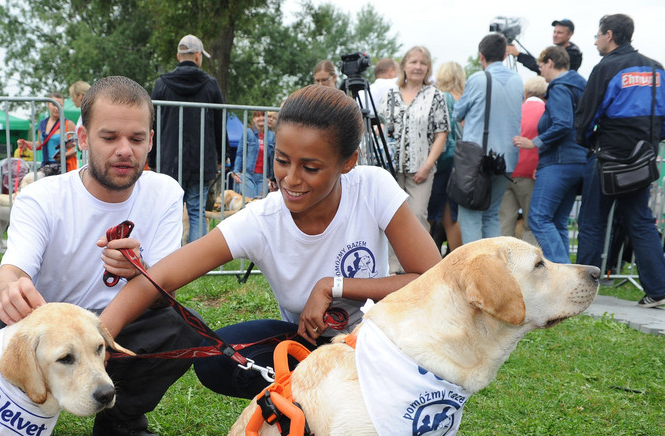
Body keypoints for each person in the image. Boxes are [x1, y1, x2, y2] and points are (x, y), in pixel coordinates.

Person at [98, 84, 442, 401]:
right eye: (281, 160)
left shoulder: (373, 188)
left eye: (310, 167)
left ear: (348, 162)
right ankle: (316, 404)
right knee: (216, 360)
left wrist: (334, 286)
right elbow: (161, 279)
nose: (291, 180)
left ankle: (361, 401)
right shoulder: (262, 220)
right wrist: (96, 339)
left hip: (383, 340)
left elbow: (432, 280)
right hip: (310, 348)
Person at [0, 76, 198, 436]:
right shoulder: (43, 196)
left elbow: (164, 292)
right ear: (82, 137)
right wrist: (8, 290)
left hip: (118, 330)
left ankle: (121, 423)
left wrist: (140, 274)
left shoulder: (165, 193)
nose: (125, 150)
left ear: (151, 141)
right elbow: (9, 275)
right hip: (50, 332)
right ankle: (14, 434)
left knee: (181, 329)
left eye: (137, 139)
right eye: (109, 137)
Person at [574, 14, 665, 307]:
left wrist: (589, 142)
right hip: (642, 161)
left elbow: (585, 118)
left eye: (598, 35)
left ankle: (580, 293)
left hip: (606, 161)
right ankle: (660, 289)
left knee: (591, 223)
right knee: (641, 222)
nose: (596, 41)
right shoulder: (656, 69)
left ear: (610, 35)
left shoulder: (606, 67)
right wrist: (646, 145)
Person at [514, 47, 587, 264]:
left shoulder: (559, 87)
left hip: (559, 162)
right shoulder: (579, 86)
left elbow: (563, 123)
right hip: (577, 160)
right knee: (558, 221)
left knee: (538, 218)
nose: (541, 71)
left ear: (550, 63)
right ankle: (566, 274)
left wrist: (534, 142)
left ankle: (563, 274)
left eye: (541, 66)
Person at [152, 34, 225, 243]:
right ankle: (197, 264)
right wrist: (222, 155)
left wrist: (153, 156)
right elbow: (220, 123)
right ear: (198, 56)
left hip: (169, 159)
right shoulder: (210, 85)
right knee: (196, 210)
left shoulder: (162, 85)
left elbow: (153, 123)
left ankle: (168, 258)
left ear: (178, 56)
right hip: (201, 160)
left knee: (170, 212)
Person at [452, 33, 524, 243]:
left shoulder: (478, 79)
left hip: (477, 160)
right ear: (504, 55)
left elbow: (457, 113)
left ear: (481, 56)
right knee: (492, 214)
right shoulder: (518, 81)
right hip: (507, 160)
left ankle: (476, 270)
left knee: (471, 215)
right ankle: (492, 265)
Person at [378, 46, 449, 241]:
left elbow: (441, 134)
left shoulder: (435, 96)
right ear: (404, 66)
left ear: (428, 68)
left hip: (420, 169)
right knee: (390, 217)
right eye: (413, 62)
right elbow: (380, 126)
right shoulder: (391, 94)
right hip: (391, 168)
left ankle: (421, 266)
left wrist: (427, 166)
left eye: (422, 63)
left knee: (417, 215)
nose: (418, 67)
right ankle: (393, 268)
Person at [498, 75, 547, 244]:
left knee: (505, 223)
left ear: (525, 93)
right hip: (531, 173)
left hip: (507, 171)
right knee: (530, 225)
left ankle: (503, 263)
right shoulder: (546, 112)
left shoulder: (516, 109)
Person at [426, 61, 465, 255]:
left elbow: (442, 132)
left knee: (430, 215)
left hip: (444, 162)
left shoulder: (442, 97)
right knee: (451, 219)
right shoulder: (463, 98)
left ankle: (424, 264)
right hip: (461, 163)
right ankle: (458, 262)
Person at [508, 18, 583, 74]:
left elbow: (541, 68)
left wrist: (518, 54)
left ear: (570, 34)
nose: (555, 35)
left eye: (559, 33)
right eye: (554, 32)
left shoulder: (572, 54)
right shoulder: (561, 50)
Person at [231, 110, 275, 198]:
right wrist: (236, 172)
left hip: (263, 177)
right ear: (254, 119)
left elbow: (273, 158)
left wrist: (272, 178)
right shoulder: (248, 133)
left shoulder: (271, 136)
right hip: (248, 174)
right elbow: (240, 153)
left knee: (260, 204)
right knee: (249, 201)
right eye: (258, 116)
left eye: (263, 116)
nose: (261, 118)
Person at [36, 92, 76, 176]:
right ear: (48, 105)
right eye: (54, 104)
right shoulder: (42, 123)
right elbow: (39, 144)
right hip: (45, 165)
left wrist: (63, 155)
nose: (57, 108)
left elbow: (76, 147)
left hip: (62, 166)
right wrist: (25, 144)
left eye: (60, 105)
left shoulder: (68, 124)